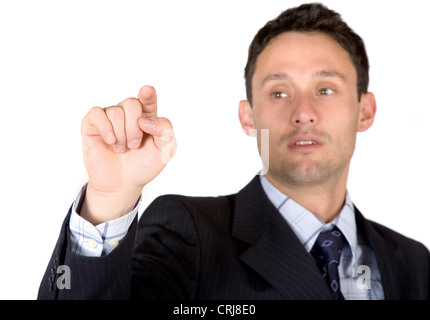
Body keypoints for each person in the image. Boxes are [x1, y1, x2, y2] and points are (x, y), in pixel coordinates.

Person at [38, 3, 429, 300]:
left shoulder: (413, 263)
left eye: (325, 89)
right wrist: (109, 201)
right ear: (248, 117)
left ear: (365, 111)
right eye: (278, 92)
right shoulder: (188, 233)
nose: (303, 113)